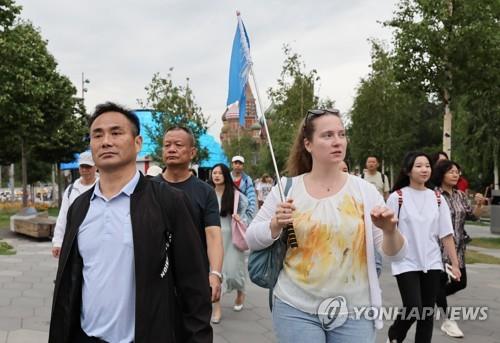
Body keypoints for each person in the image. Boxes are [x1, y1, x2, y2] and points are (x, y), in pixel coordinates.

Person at [49, 102, 212, 343]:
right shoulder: (80, 207)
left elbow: (194, 287)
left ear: (137, 143)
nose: (106, 141)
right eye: (98, 135)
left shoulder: (168, 202)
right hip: (85, 336)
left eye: (116, 133)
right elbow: (69, 284)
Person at [246, 108, 407, 343]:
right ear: (308, 144)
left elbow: (397, 255)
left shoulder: (365, 192)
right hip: (295, 308)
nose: (337, 141)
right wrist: (274, 225)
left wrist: (390, 230)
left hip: (354, 311)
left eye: (341, 134)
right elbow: (250, 238)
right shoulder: (287, 189)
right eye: (328, 135)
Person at [386, 151, 461, 343]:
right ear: (408, 170)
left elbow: (446, 234)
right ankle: (395, 335)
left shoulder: (437, 198)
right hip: (405, 262)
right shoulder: (397, 197)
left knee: (427, 314)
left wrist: (455, 263)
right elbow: (386, 230)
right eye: (418, 166)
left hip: (432, 261)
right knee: (413, 308)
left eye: (427, 165)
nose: (424, 169)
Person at [154, 126, 223, 304]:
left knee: (196, 329)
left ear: (192, 152)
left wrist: (215, 273)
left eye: (178, 145)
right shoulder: (149, 189)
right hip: (155, 278)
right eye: (167, 145)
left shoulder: (205, 192)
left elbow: (213, 235)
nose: (171, 149)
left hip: (195, 276)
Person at [431, 160, 484, 338]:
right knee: (438, 282)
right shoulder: (433, 195)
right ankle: (447, 321)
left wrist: (479, 205)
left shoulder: (460, 195)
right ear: (441, 174)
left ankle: (430, 298)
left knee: (460, 283)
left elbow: (473, 217)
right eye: (451, 171)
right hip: (437, 248)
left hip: (458, 248)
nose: (455, 174)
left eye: (457, 172)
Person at [210, 163, 252, 324]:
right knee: (215, 273)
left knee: (234, 272)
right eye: (214, 173)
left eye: (220, 173)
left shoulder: (235, 195)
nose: (217, 175)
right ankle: (217, 308)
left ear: (225, 175)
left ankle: (241, 292)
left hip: (233, 238)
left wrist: (241, 219)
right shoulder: (207, 193)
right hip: (214, 239)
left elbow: (247, 212)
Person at [51, 151, 98, 258]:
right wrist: (58, 242)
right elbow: (63, 217)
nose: (85, 170)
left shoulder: (102, 187)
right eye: (82, 166)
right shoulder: (71, 190)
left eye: (88, 167)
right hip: (74, 242)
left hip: (96, 242)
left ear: (95, 167)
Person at [231, 155, 257, 220]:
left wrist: (249, 215)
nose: (238, 165)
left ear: (243, 166)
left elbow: (251, 197)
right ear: (232, 165)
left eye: (240, 163)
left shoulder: (247, 180)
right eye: (236, 163)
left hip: (242, 214)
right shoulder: (226, 178)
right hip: (228, 212)